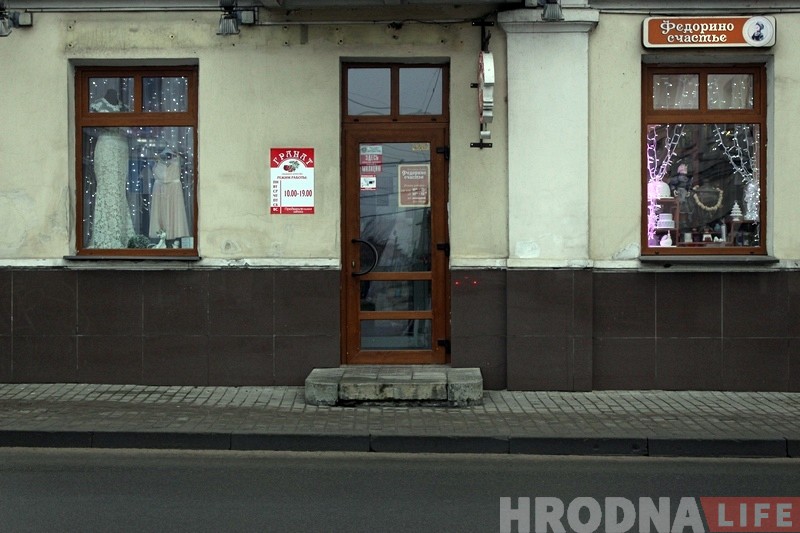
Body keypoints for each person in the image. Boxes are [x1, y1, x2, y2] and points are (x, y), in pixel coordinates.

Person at [88, 90, 134, 248]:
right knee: (107, 188)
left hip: (122, 148)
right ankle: (106, 236)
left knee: (119, 190)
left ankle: (121, 234)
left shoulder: (125, 107)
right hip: (106, 147)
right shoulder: (97, 105)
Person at [149, 147, 189, 240]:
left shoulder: (177, 160)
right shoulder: (156, 161)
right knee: (160, 212)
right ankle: (162, 236)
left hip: (174, 190)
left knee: (175, 210)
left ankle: (174, 235)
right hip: (160, 190)